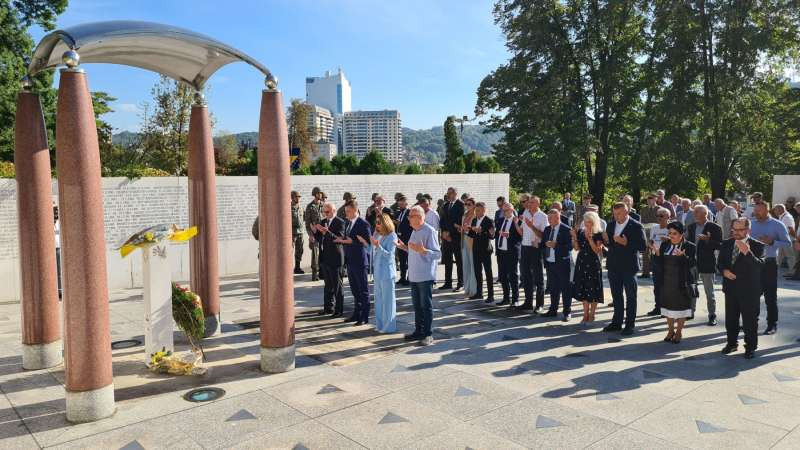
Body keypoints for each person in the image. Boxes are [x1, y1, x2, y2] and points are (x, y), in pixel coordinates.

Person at [719, 218, 766, 359]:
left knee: (750, 321)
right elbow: (720, 262)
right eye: (734, 229)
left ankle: (750, 347)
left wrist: (747, 253)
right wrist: (724, 271)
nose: (736, 232)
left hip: (749, 291)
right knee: (731, 319)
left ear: (748, 230)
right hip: (730, 289)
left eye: (740, 230)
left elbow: (760, 266)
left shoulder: (757, 246)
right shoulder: (726, 243)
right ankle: (731, 343)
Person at [398, 205, 441, 346]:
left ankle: (428, 334)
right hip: (414, 275)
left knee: (426, 306)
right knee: (417, 306)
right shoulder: (414, 231)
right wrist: (404, 247)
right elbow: (414, 251)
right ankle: (418, 331)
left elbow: (438, 254)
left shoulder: (429, 231)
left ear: (420, 217)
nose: (408, 218)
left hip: (425, 276)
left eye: (411, 216)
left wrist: (424, 251)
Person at [603, 202, 647, 335]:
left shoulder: (636, 226)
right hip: (613, 265)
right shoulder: (611, 225)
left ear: (627, 212)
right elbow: (610, 244)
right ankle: (617, 322)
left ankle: (630, 324)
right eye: (615, 214)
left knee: (631, 296)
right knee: (616, 296)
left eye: (619, 213)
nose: (616, 216)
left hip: (629, 267)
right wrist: (605, 240)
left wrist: (626, 243)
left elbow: (643, 246)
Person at [653, 221, 698, 344]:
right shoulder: (665, 244)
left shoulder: (690, 246)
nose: (671, 236)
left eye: (674, 233)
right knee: (668, 308)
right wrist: (656, 255)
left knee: (681, 308)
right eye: (670, 233)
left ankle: (678, 332)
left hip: (682, 282)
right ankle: (670, 331)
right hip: (666, 282)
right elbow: (659, 263)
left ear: (681, 234)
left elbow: (693, 264)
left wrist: (683, 257)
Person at [750, 201, 791, 335]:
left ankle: (772, 324)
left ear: (767, 210)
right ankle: (751, 323)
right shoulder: (751, 224)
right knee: (752, 295)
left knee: (770, 296)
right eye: (755, 210)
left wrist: (772, 242)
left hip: (769, 264)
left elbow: (788, 244)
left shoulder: (777, 224)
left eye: (759, 211)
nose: (756, 213)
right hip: (751, 264)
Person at [335, 200, 372, 325]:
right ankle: (356, 313)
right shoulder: (348, 223)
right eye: (345, 211)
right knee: (354, 289)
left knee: (363, 289)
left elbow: (368, 243)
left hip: (360, 261)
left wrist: (353, 242)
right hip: (350, 260)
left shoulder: (363, 224)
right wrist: (342, 239)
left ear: (355, 210)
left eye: (348, 211)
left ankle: (364, 316)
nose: (346, 214)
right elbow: (348, 238)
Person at [686, 205, 722, 325]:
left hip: (707, 262)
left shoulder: (714, 227)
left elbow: (720, 245)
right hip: (692, 262)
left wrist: (707, 240)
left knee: (709, 291)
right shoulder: (691, 227)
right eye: (694, 212)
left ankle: (712, 315)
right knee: (692, 288)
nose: (694, 214)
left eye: (697, 212)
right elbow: (687, 242)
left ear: (705, 214)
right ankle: (691, 312)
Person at [571, 211, 605, 325]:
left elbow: (597, 251)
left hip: (593, 263)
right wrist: (574, 237)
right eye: (585, 221)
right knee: (583, 288)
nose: (586, 224)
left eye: (589, 221)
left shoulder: (598, 234)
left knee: (593, 288)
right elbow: (577, 248)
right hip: (581, 262)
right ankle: (585, 314)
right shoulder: (581, 232)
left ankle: (592, 314)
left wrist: (590, 239)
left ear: (594, 222)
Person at [542, 209, 573, 321]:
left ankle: (567, 312)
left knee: (565, 289)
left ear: (557, 217)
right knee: (553, 288)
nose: (549, 220)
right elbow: (543, 244)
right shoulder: (547, 229)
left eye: (550, 218)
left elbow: (569, 247)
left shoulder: (566, 229)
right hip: (550, 263)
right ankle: (553, 310)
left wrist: (556, 246)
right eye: (548, 218)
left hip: (562, 263)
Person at [315, 202, 345, 316]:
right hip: (325, 257)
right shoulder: (323, 221)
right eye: (324, 212)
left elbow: (339, 238)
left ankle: (339, 310)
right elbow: (320, 238)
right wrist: (315, 232)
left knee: (337, 286)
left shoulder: (340, 222)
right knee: (328, 285)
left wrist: (327, 232)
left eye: (327, 212)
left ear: (334, 211)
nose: (325, 214)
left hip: (335, 258)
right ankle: (328, 308)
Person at [371, 213, 398, 333]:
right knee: (378, 300)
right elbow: (372, 251)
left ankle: (389, 327)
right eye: (376, 223)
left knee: (388, 301)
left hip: (387, 272)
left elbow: (389, 255)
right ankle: (380, 325)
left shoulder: (392, 236)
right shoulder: (379, 235)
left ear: (385, 223)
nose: (377, 225)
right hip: (378, 272)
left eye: (379, 222)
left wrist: (378, 247)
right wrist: (369, 243)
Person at [520, 196, 547, 311]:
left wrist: (532, 227)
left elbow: (544, 235)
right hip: (525, 247)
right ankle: (528, 302)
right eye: (529, 202)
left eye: (532, 202)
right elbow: (522, 231)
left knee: (538, 277)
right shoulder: (526, 213)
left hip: (536, 249)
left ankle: (540, 305)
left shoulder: (543, 216)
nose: (529, 204)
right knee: (526, 276)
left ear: (538, 204)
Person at [646, 208, 672, 317]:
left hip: (667, 258)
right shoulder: (654, 228)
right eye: (658, 216)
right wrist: (650, 245)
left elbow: (679, 241)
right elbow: (651, 241)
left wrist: (668, 240)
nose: (659, 218)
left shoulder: (672, 228)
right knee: (657, 285)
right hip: (656, 257)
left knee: (666, 285)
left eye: (661, 216)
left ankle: (667, 308)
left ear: (668, 217)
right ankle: (658, 307)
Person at [495, 202, 522, 306]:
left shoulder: (517, 221)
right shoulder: (501, 220)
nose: (505, 212)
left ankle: (515, 299)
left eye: (507, 210)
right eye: (503, 210)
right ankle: (506, 298)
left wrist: (509, 235)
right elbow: (497, 234)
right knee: (503, 276)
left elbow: (520, 236)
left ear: (512, 210)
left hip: (512, 252)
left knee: (513, 276)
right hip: (501, 251)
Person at [468, 202, 495, 302]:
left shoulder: (489, 220)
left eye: (478, 210)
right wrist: (468, 229)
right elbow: (471, 234)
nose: (476, 212)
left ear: (484, 210)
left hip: (485, 249)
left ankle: (491, 295)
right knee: (477, 271)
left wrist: (482, 231)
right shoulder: (474, 220)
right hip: (476, 249)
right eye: (476, 210)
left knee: (488, 272)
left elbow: (492, 236)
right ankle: (479, 293)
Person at [439, 187, 465, 291]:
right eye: (447, 193)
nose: (448, 195)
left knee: (459, 261)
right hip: (446, 237)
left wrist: (450, 232)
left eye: (449, 193)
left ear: (455, 193)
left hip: (456, 237)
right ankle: (448, 282)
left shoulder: (461, 205)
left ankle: (460, 283)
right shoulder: (445, 205)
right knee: (447, 260)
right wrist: (444, 232)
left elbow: (459, 220)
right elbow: (442, 220)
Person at [459, 197, 478, 297]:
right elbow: (464, 229)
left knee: (472, 265)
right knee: (465, 265)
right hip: (464, 240)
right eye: (465, 204)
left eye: (469, 204)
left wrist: (468, 229)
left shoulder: (476, 216)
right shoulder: (464, 215)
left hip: (472, 241)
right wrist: (461, 229)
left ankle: (473, 290)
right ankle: (467, 288)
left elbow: (476, 229)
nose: (467, 206)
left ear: (474, 205)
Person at [303, 187, 324, 280]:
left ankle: (322, 273)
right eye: (319, 193)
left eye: (321, 193)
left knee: (324, 252)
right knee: (315, 254)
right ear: (315, 194)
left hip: (323, 233)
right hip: (314, 233)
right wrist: (311, 235)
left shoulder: (323, 205)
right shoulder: (310, 207)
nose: (320, 195)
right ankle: (315, 274)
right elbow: (307, 224)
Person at [639, 194, 659, 278]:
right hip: (646, 233)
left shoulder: (660, 209)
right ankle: (645, 273)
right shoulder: (643, 209)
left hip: (656, 233)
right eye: (648, 199)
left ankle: (656, 272)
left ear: (655, 199)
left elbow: (660, 221)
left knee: (656, 253)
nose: (649, 200)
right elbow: (641, 221)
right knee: (645, 253)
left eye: (651, 198)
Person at [393, 195, 412, 285]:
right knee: (402, 259)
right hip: (399, 238)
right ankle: (402, 277)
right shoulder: (398, 213)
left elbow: (411, 225)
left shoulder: (410, 212)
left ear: (406, 203)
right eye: (399, 204)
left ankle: (410, 278)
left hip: (407, 238)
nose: (400, 206)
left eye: (402, 204)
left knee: (409, 259)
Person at [774, 204, 796, 271]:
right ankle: (774, 269)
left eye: (775, 210)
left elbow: (790, 229)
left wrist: (795, 239)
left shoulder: (787, 217)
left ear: (780, 210)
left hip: (787, 239)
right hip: (782, 240)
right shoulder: (782, 216)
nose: (774, 211)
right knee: (779, 255)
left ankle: (792, 271)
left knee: (790, 256)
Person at [290, 191, 305, 275]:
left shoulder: (301, 207)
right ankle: (288, 267)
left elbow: (304, 218)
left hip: (300, 232)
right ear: (292, 197)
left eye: (299, 197)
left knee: (300, 250)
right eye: (296, 197)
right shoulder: (288, 207)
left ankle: (297, 267)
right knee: (289, 251)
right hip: (292, 233)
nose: (298, 198)